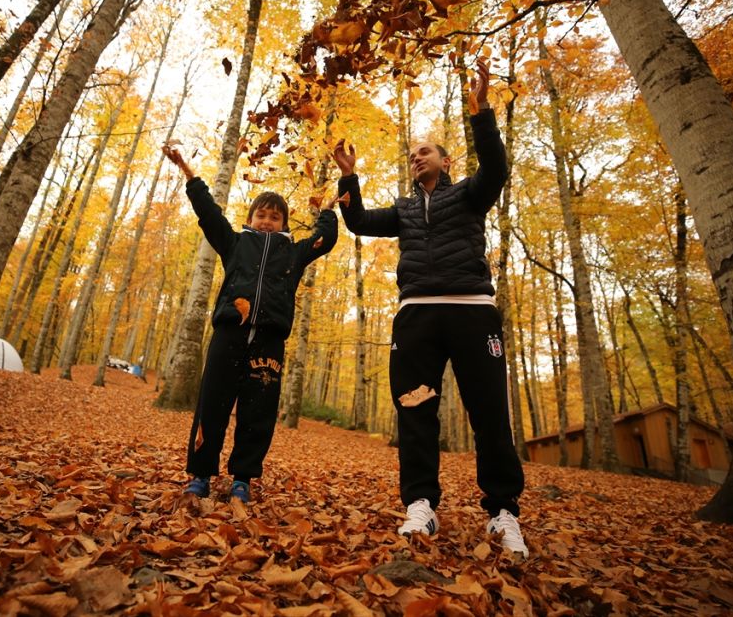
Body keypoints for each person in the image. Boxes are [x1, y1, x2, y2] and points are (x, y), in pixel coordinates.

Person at [332, 58, 528, 557]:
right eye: (412, 154)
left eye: (425, 152)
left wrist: (481, 111)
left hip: (472, 311)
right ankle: (421, 506)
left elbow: (498, 168)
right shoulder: (401, 208)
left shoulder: (468, 195)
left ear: (445, 161)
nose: (417, 157)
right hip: (416, 316)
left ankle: (503, 513)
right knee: (415, 413)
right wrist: (349, 179)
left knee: (489, 414)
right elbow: (357, 223)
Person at [163, 143, 339, 503]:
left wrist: (328, 212)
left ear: (284, 224)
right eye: (262, 215)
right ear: (251, 218)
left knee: (257, 413)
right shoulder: (236, 243)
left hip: (269, 343)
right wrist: (188, 173)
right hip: (229, 334)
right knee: (212, 405)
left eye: (275, 217)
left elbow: (325, 240)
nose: (267, 221)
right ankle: (201, 474)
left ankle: (242, 478)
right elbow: (209, 215)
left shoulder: (293, 252)